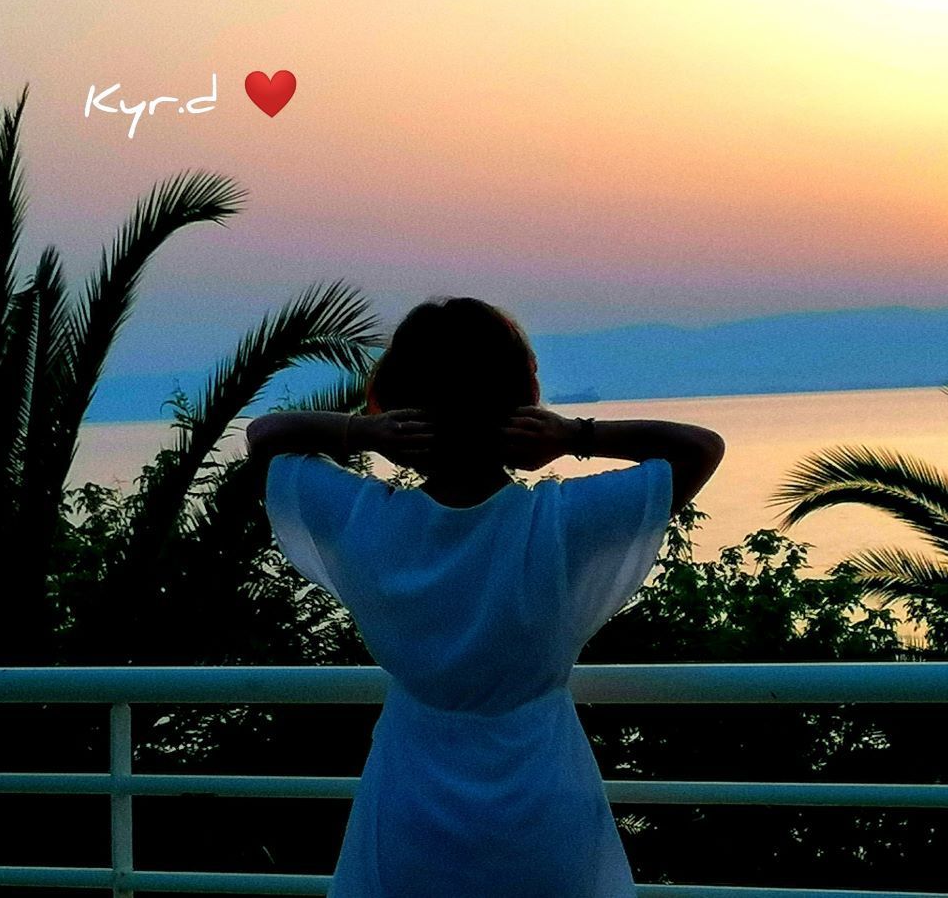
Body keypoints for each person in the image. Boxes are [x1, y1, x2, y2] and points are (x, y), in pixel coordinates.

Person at [246, 296, 724, 897]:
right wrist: (574, 435)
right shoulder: (559, 523)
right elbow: (699, 448)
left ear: (397, 405)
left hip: (409, 805)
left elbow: (266, 436)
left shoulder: (366, 520)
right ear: (523, 403)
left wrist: (361, 431)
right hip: (541, 802)